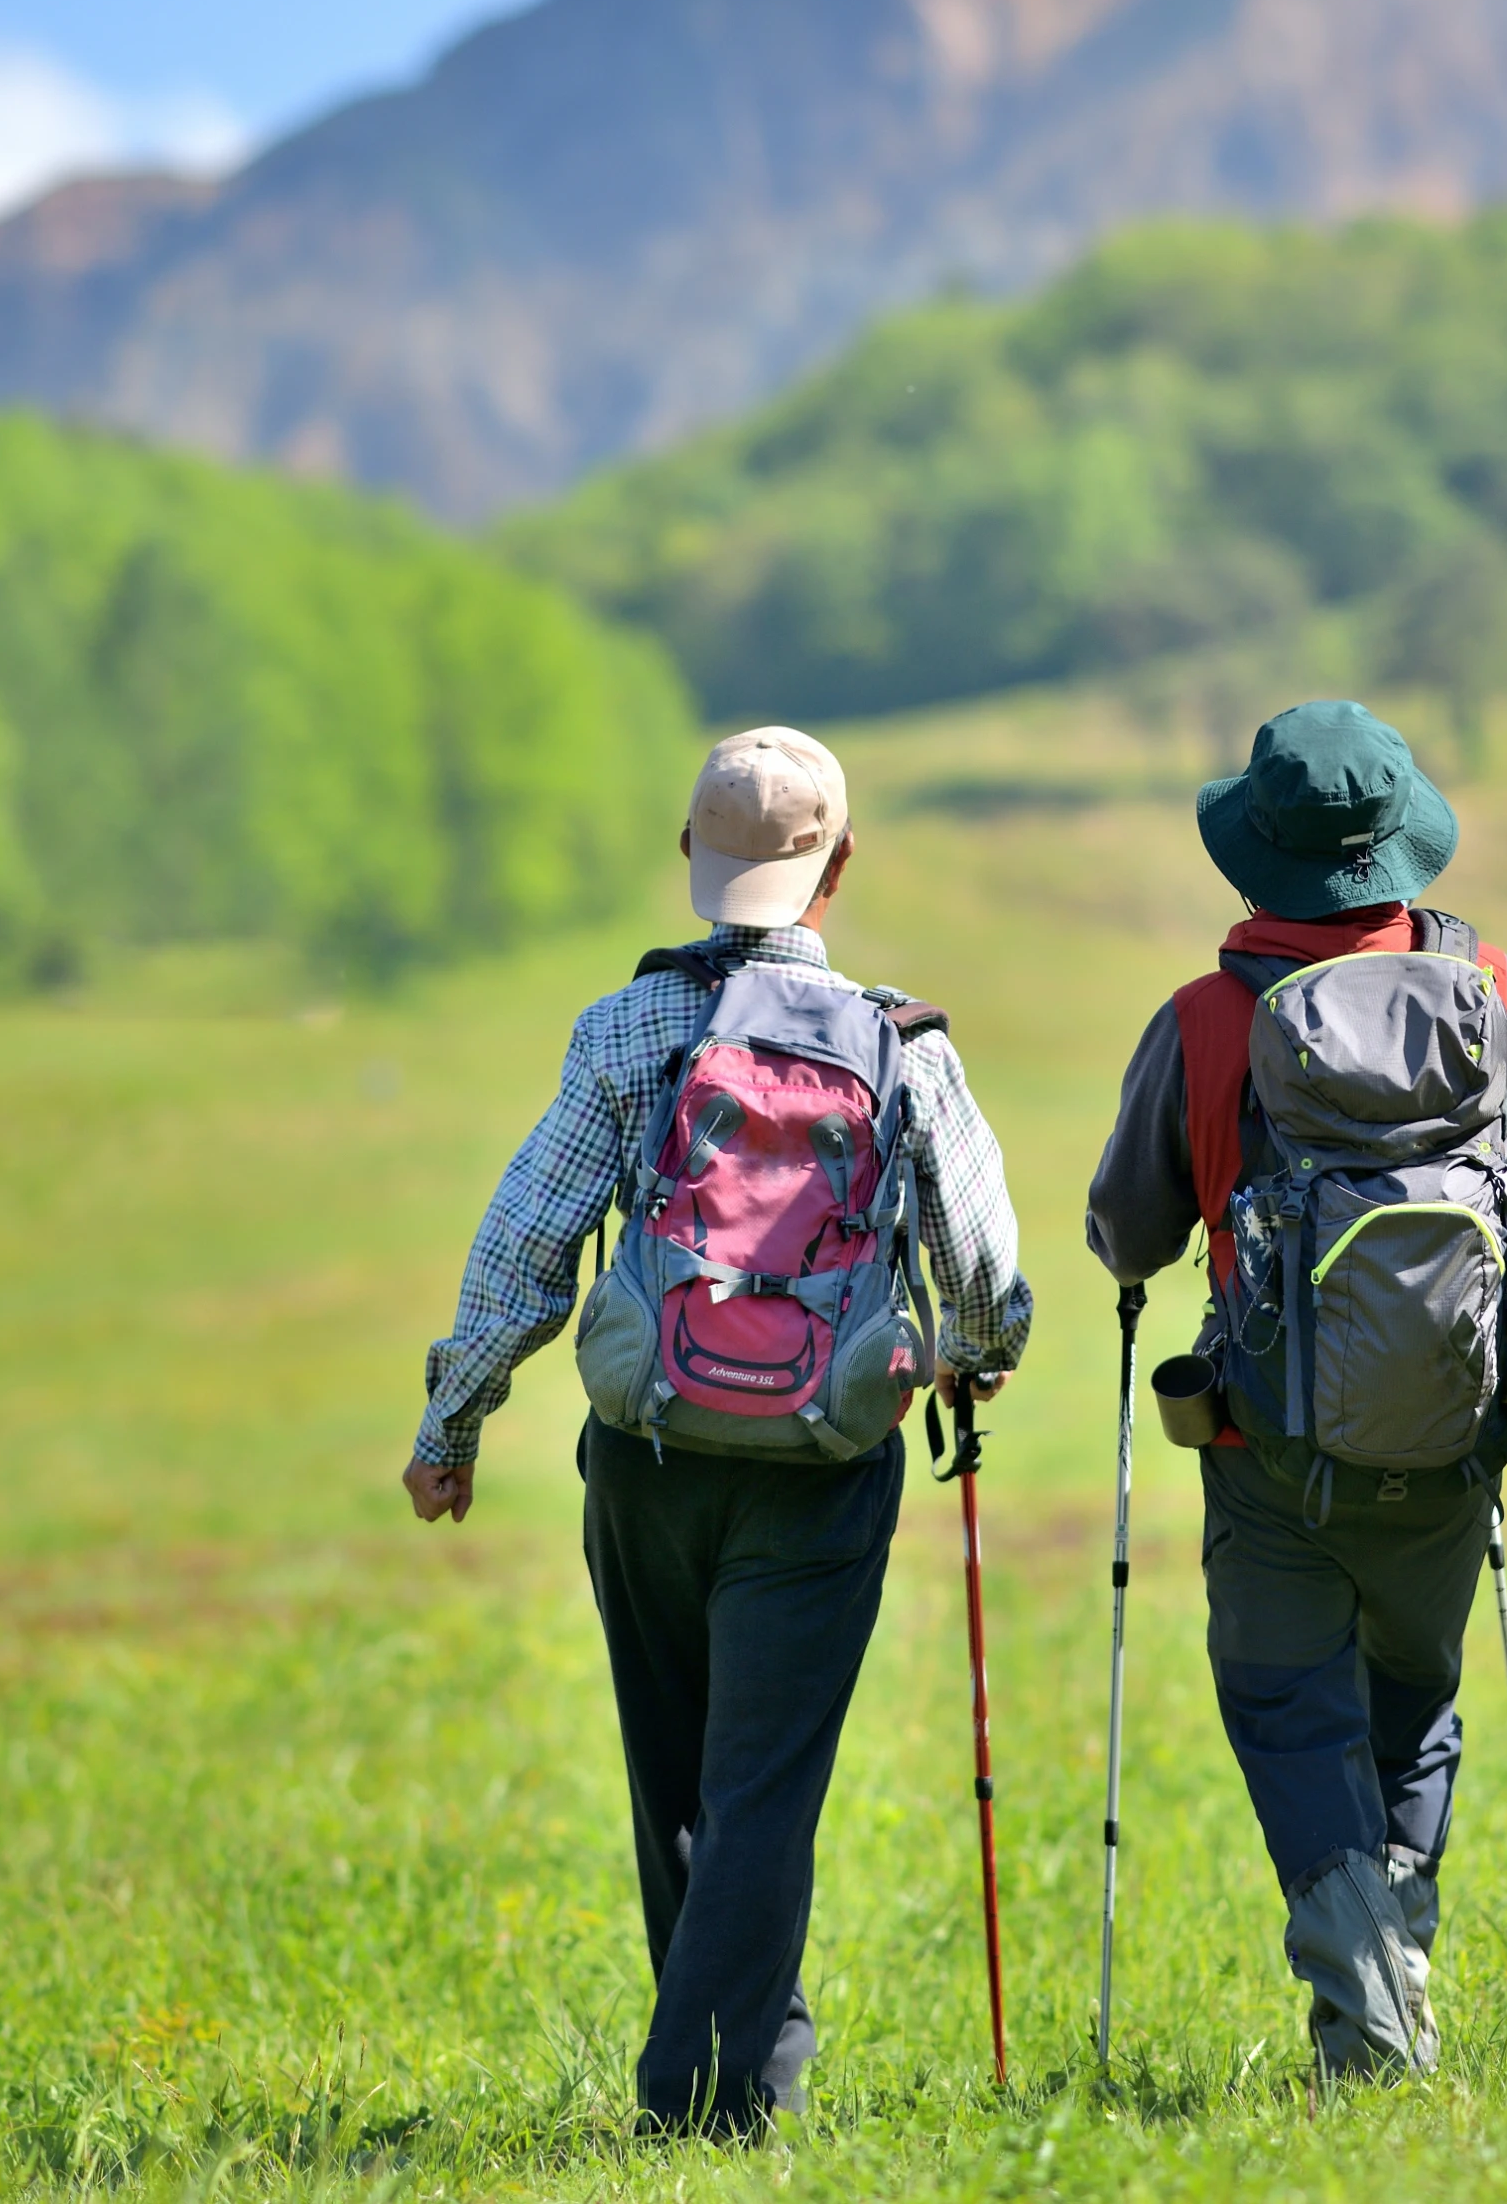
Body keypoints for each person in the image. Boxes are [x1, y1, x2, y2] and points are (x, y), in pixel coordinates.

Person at [400, 726, 1033, 2135]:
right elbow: (982, 1262)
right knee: (764, 1783)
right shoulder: (900, 1042)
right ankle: (717, 2090)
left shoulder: (624, 1029)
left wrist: (454, 1421)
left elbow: (528, 1240)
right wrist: (976, 1359)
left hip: (650, 1457)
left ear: (690, 855)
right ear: (840, 863)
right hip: (823, 1463)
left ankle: (727, 2069)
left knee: (676, 1773)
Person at [1084, 701, 1507, 2081]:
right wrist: (1478, 1306)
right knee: (1412, 1699)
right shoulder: (1488, 985)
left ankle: (1369, 2004)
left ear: (1259, 854)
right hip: (1456, 1435)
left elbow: (1128, 1228)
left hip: (1268, 1444)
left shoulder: (1206, 1021)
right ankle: (1392, 1971)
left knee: (1279, 1697)